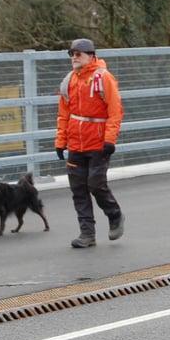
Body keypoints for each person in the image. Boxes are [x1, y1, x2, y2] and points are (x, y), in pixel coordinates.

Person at [55, 38, 126, 248]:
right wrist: (61, 141)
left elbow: (115, 111)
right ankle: (87, 234)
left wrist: (110, 140)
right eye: (72, 54)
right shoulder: (69, 81)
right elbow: (63, 114)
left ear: (91, 55)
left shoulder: (104, 78)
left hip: (97, 142)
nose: (74, 58)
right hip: (76, 144)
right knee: (78, 188)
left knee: (95, 184)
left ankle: (115, 214)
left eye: (79, 54)